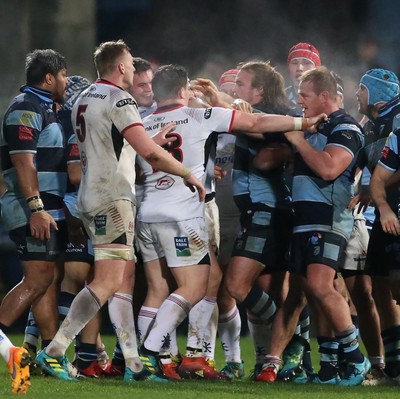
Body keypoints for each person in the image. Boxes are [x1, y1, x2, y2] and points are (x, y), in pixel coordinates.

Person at [135, 64, 323, 379]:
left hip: (149, 213)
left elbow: (139, 167)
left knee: (166, 287)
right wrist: (304, 122)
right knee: (203, 283)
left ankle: (182, 356)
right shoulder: (199, 117)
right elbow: (257, 121)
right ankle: (159, 353)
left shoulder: (143, 124)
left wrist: (204, 174)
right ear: (183, 90)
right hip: (185, 213)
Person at [35, 39, 205, 383]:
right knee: (110, 280)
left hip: (90, 196)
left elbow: (114, 145)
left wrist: (147, 144)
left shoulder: (83, 97)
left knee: (122, 276)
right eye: (130, 63)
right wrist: (188, 175)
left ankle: (134, 363)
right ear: (122, 67)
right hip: (112, 199)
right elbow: (151, 156)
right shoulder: (120, 98)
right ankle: (53, 351)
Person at [259, 66, 368, 386]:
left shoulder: (346, 127)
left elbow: (330, 169)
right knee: (303, 292)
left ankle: (357, 358)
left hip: (328, 217)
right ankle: (314, 366)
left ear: (324, 96)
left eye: (305, 96)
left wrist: (300, 141)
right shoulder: (310, 126)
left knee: (321, 287)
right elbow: (263, 162)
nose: (300, 101)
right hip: (303, 219)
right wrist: (293, 137)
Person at [0, 48, 68, 362]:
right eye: (64, 75)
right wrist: (36, 207)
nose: (67, 81)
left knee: (46, 276)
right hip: (29, 208)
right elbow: (23, 161)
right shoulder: (25, 107)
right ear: (50, 77)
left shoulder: (45, 106)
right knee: (40, 277)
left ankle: (51, 353)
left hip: (43, 207)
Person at [356, 68, 400, 383]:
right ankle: (393, 367)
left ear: (374, 94)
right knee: (382, 285)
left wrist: (379, 195)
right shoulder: (372, 124)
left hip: (389, 209)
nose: (357, 95)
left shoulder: (397, 118)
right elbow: (370, 167)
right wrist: (372, 193)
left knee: (394, 286)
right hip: (388, 212)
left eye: (361, 89)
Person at [285, 42, 321, 115]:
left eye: (306, 63)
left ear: (317, 70)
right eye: (294, 63)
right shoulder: (279, 98)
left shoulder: (324, 99)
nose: (299, 68)